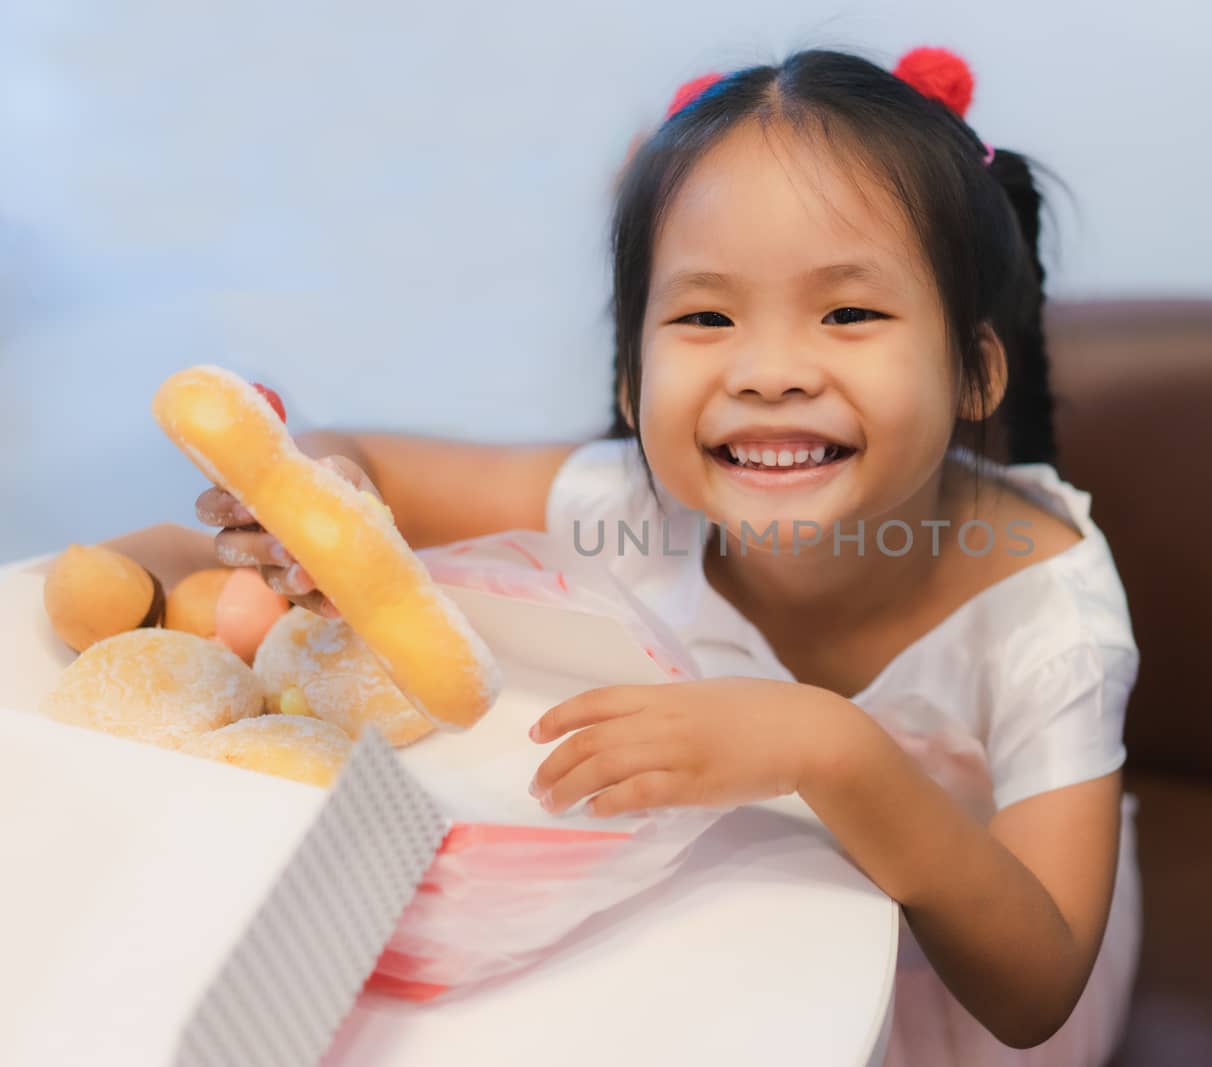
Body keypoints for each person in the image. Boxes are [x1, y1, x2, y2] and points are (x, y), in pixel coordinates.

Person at [196, 46, 1142, 1066]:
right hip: (728, 947)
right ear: (630, 381)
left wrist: (831, 746)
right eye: (705, 316)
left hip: (939, 984)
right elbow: (371, 466)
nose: (768, 371)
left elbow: (1035, 980)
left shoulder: (1048, 613)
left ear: (974, 370)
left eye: (849, 312)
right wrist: (319, 491)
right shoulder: (633, 504)